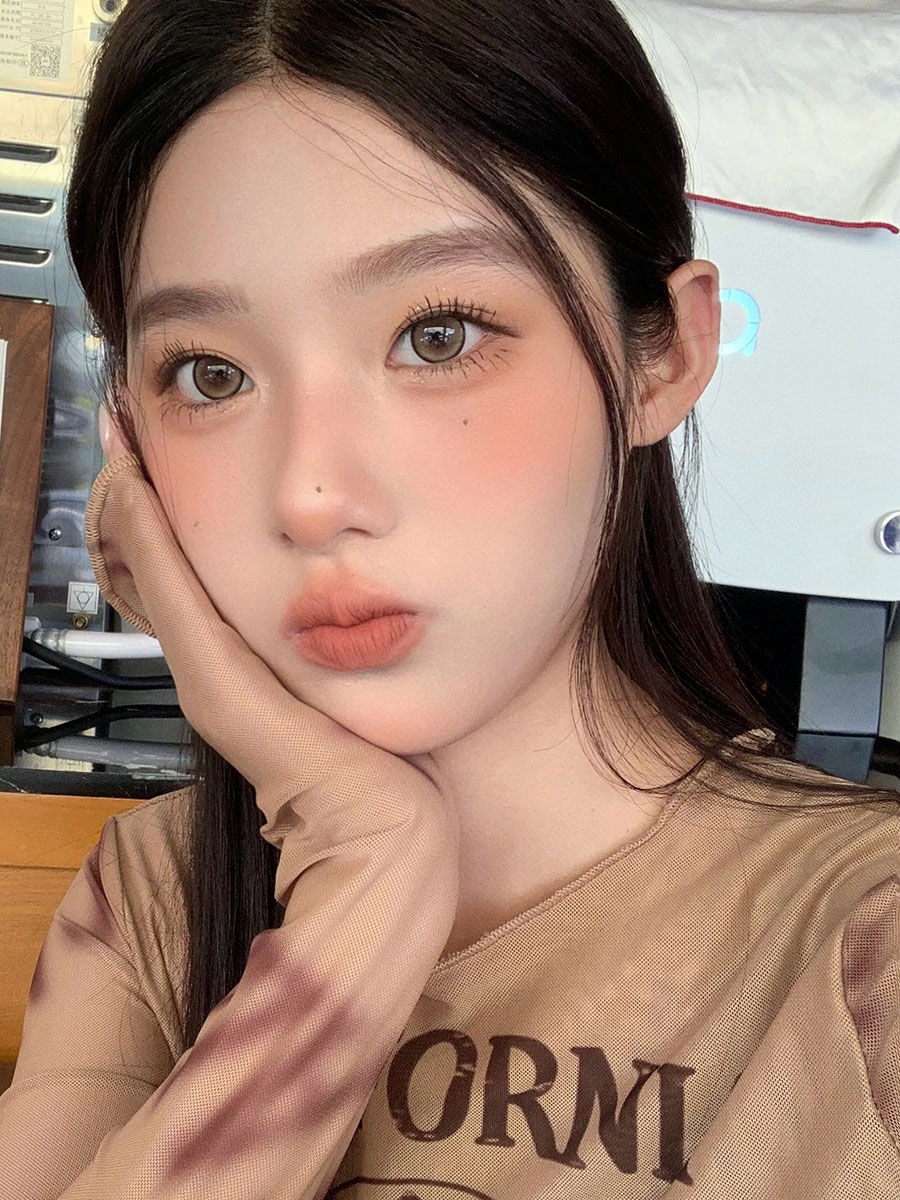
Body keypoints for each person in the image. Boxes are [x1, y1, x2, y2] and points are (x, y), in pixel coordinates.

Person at [1, 1, 899, 1195]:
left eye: (437, 335)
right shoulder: (155, 900)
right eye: (210, 375)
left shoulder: (862, 949)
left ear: (666, 356)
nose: (311, 495)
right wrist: (369, 876)